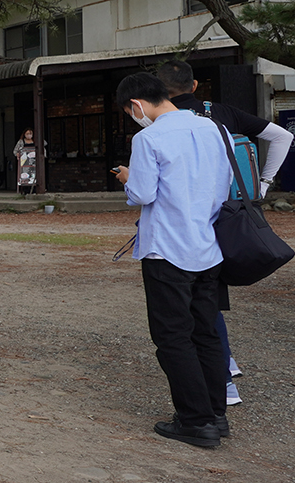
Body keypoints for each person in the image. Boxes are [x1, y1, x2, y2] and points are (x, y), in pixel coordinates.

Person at [155, 59, 294, 407]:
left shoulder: (162, 124)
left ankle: (223, 378)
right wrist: (261, 185)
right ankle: (224, 368)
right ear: (195, 85)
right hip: (230, 215)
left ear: (157, 92)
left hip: (187, 222)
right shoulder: (220, 112)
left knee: (199, 303)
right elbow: (282, 136)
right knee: (208, 297)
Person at [110, 72, 232, 448]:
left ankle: (195, 421)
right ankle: (215, 414)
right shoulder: (212, 129)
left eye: (131, 112)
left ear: (137, 106)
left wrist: (128, 179)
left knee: (173, 337)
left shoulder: (148, 138)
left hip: (167, 250)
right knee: (206, 332)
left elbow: (143, 193)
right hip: (207, 246)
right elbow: (225, 182)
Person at [13, 129, 39, 196]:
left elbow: (42, 149)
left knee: (34, 174)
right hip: (25, 162)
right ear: (24, 134)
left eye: (30, 133)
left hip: (34, 162)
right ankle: (25, 190)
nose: (29, 135)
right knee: (25, 175)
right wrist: (17, 154)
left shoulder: (35, 141)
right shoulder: (21, 142)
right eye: (27, 133)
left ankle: (34, 189)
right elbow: (15, 151)